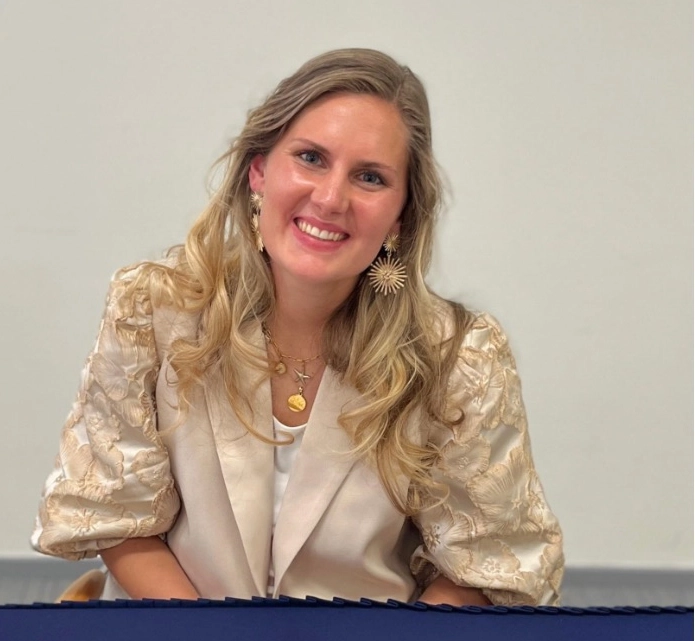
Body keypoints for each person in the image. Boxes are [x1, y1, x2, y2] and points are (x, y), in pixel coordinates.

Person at [31, 48, 564, 605]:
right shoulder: (151, 309)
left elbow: (486, 566)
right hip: (175, 633)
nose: (331, 199)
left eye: (370, 177)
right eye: (311, 158)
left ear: (401, 215)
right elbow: (119, 516)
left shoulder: (460, 356)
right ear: (259, 171)